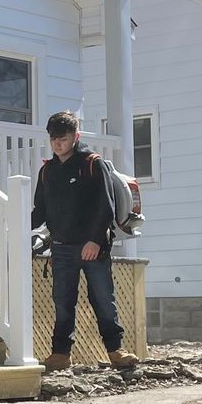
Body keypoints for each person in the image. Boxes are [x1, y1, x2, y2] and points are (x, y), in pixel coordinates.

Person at [30, 111, 139, 372]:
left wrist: (95, 241)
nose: (58, 144)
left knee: (103, 298)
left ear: (75, 136)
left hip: (93, 247)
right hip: (62, 248)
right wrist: (14, 222)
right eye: (54, 139)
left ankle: (116, 351)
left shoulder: (92, 163)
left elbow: (105, 207)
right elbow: (39, 211)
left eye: (63, 139)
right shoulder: (47, 171)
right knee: (63, 301)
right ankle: (60, 354)